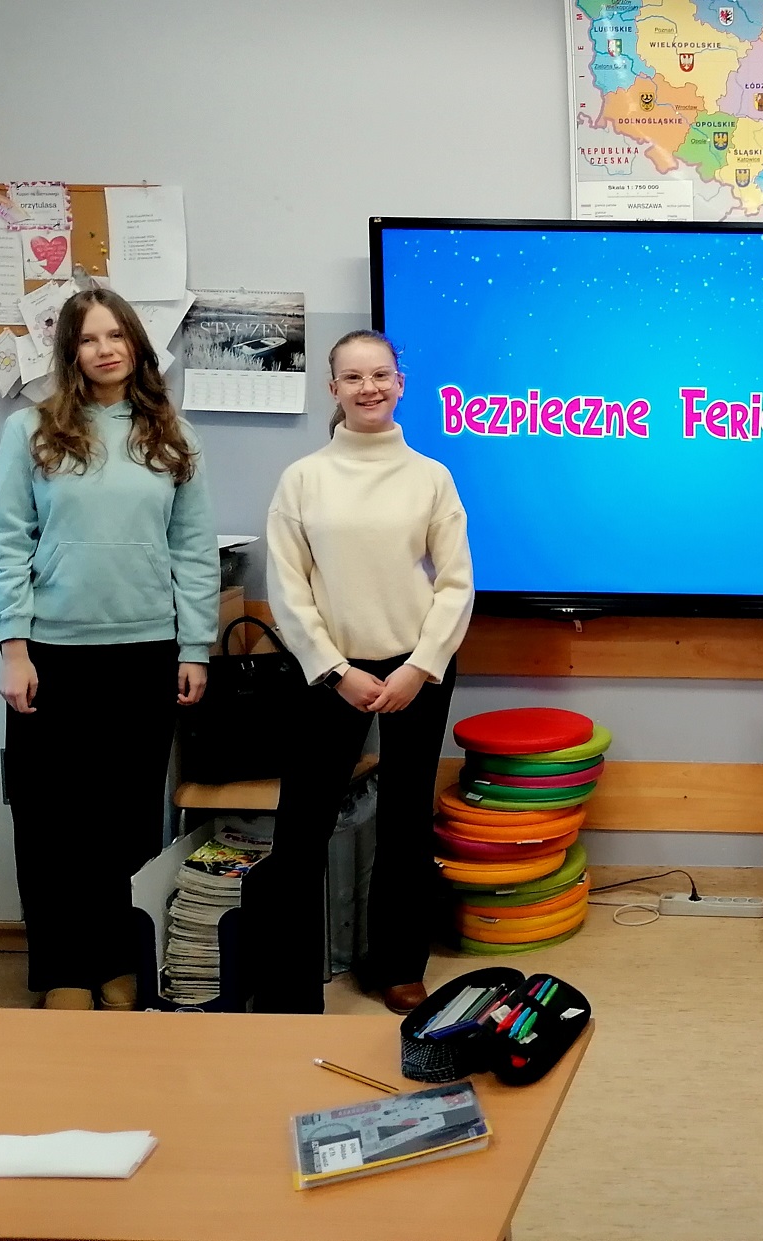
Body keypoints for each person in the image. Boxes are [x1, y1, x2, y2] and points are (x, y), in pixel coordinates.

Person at [0, 288, 217, 1012]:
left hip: (145, 653)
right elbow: (6, 540)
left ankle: (118, 958)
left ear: (137, 345)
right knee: (51, 821)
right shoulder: (31, 430)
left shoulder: (172, 435)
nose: (104, 349)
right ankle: (62, 968)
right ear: (70, 352)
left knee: (125, 821)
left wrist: (196, 646)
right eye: (88, 338)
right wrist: (13, 649)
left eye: (116, 335)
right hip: (52, 656)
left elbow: (194, 550)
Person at [245, 329, 473, 1015]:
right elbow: (288, 588)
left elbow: (455, 584)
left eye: (380, 375)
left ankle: (397, 965)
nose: (368, 387)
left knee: (404, 822)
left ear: (400, 383)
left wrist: (419, 668)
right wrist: (335, 670)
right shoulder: (304, 479)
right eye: (353, 377)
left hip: (415, 671)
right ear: (334, 389)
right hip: (329, 674)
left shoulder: (431, 477)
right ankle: (289, 984)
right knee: (301, 827)